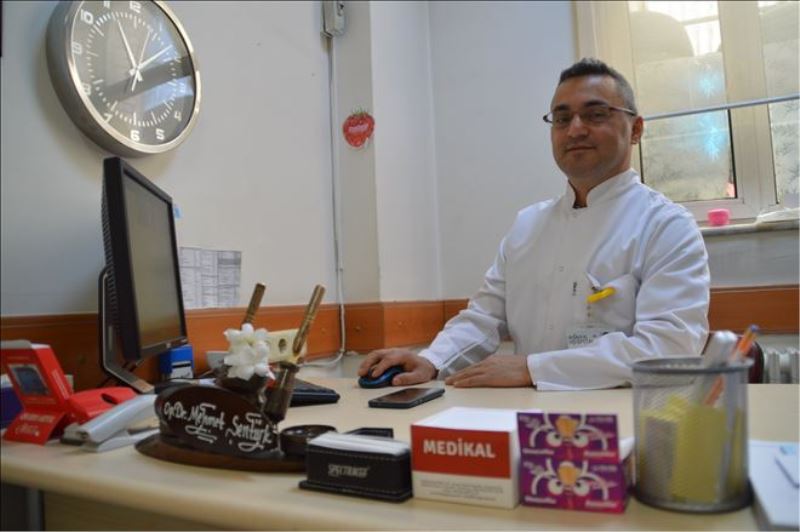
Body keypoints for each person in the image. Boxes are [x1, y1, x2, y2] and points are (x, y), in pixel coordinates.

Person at [358, 58, 710, 391]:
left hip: (619, 419)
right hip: (528, 419)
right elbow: (484, 318)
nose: (575, 129)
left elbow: (669, 351)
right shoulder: (529, 225)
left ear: (636, 129)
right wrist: (432, 360)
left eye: (596, 114)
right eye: (562, 118)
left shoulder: (666, 227)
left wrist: (532, 369)